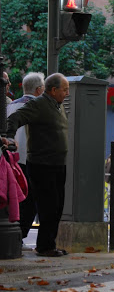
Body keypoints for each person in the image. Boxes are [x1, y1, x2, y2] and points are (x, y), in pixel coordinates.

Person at [6, 73, 69, 257]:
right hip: (42, 164)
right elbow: (15, 118)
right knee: (48, 206)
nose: (67, 93)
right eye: (64, 89)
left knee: (57, 206)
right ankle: (45, 246)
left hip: (58, 163)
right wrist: (10, 135)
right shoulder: (38, 104)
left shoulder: (58, 106)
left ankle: (49, 243)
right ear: (53, 89)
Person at [7, 72, 45, 243]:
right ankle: (19, 235)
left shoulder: (9, 107)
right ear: (39, 90)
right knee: (30, 202)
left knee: (12, 200)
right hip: (30, 161)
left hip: (10, 161)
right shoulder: (40, 107)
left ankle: (14, 235)